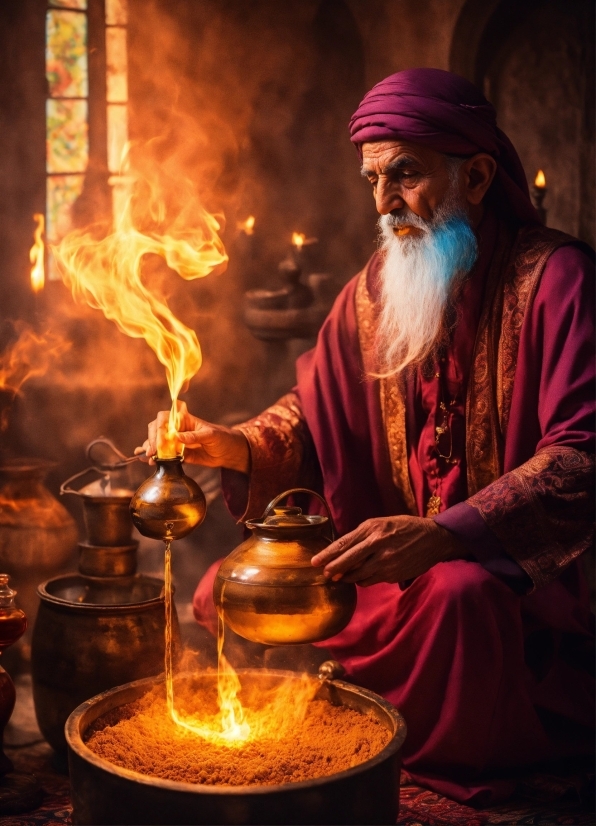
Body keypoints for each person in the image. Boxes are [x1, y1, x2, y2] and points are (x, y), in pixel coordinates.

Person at [140, 69, 595, 806]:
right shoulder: (378, 285)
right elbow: (315, 409)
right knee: (223, 588)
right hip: (387, 572)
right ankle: (341, 724)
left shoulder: (559, 280)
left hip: (501, 590)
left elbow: (581, 458)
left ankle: (422, 763)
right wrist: (240, 445)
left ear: (476, 176)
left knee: (457, 599)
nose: (385, 202)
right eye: (374, 179)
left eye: (406, 175)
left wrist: (446, 535)